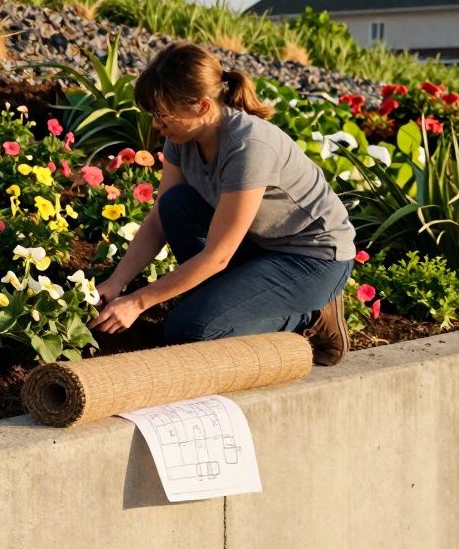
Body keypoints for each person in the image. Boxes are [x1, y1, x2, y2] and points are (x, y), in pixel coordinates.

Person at [88, 41, 356, 365]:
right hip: (261, 246)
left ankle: (309, 317)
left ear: (201, 106)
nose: (156, 125)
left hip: (312, 259)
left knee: (192, 331)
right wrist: (117, 283)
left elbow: (218, 256)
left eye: (163, 115)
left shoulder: (248, 146)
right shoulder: (182, 138)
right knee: (175, 204)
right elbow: (160, 219)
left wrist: (138, 302)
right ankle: (226, 303)